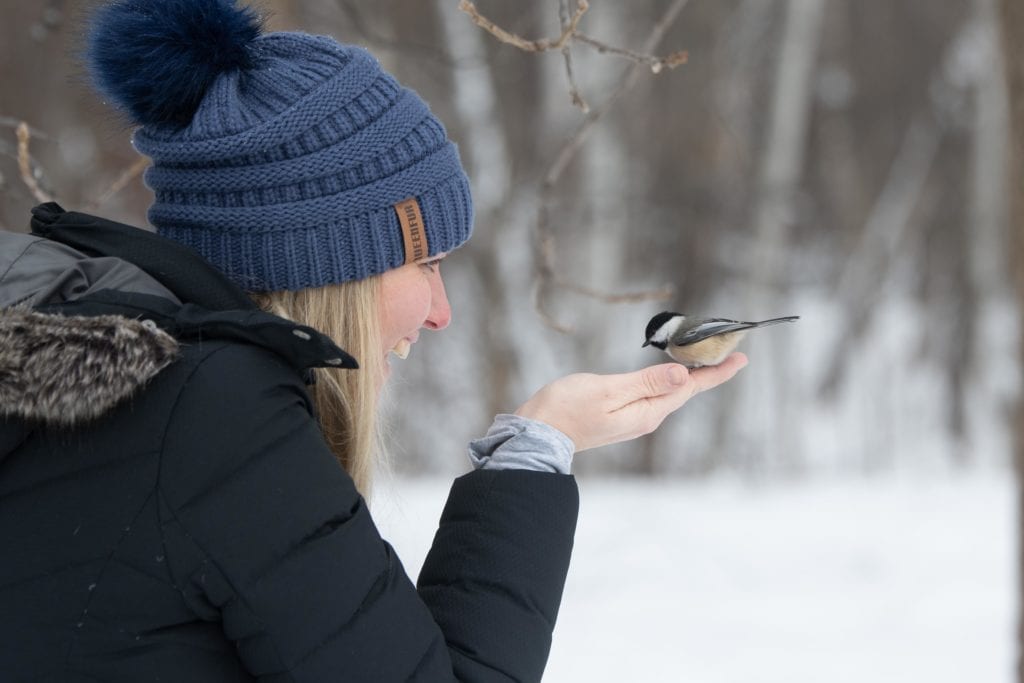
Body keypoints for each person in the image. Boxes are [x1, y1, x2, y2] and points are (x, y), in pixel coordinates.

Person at [0, 1, 747, 681]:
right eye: (426, 261)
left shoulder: (92, 386)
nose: (440, 312)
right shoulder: (214, 421)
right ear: (328, 261)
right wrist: (537, 447)